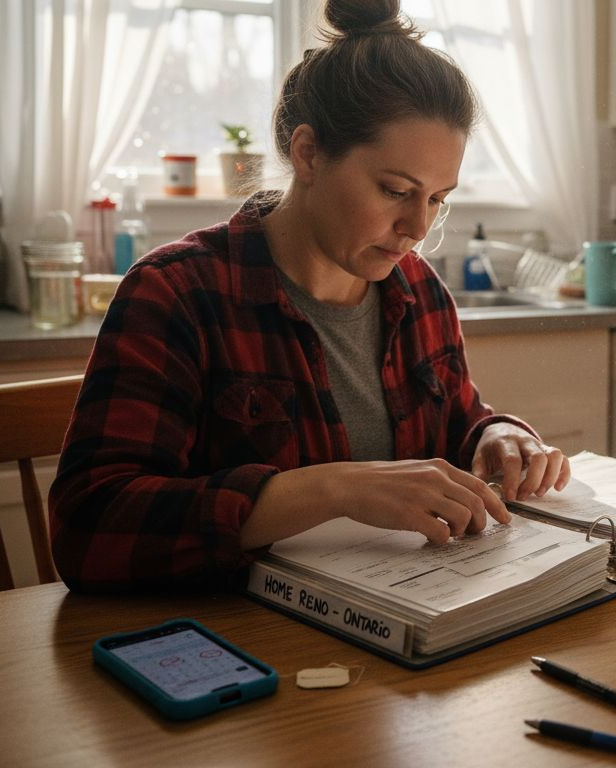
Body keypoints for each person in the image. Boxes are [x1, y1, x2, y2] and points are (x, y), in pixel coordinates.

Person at [49, 0, 569, 591]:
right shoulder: (177, 294)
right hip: (241, 646)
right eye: (396, 189)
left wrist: (495, 437)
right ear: (308, 154)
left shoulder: (420, 292)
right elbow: (86, 529)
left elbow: (456, 424)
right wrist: (331, 488)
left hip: (409, 645)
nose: (418, 227)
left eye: (437, 199)